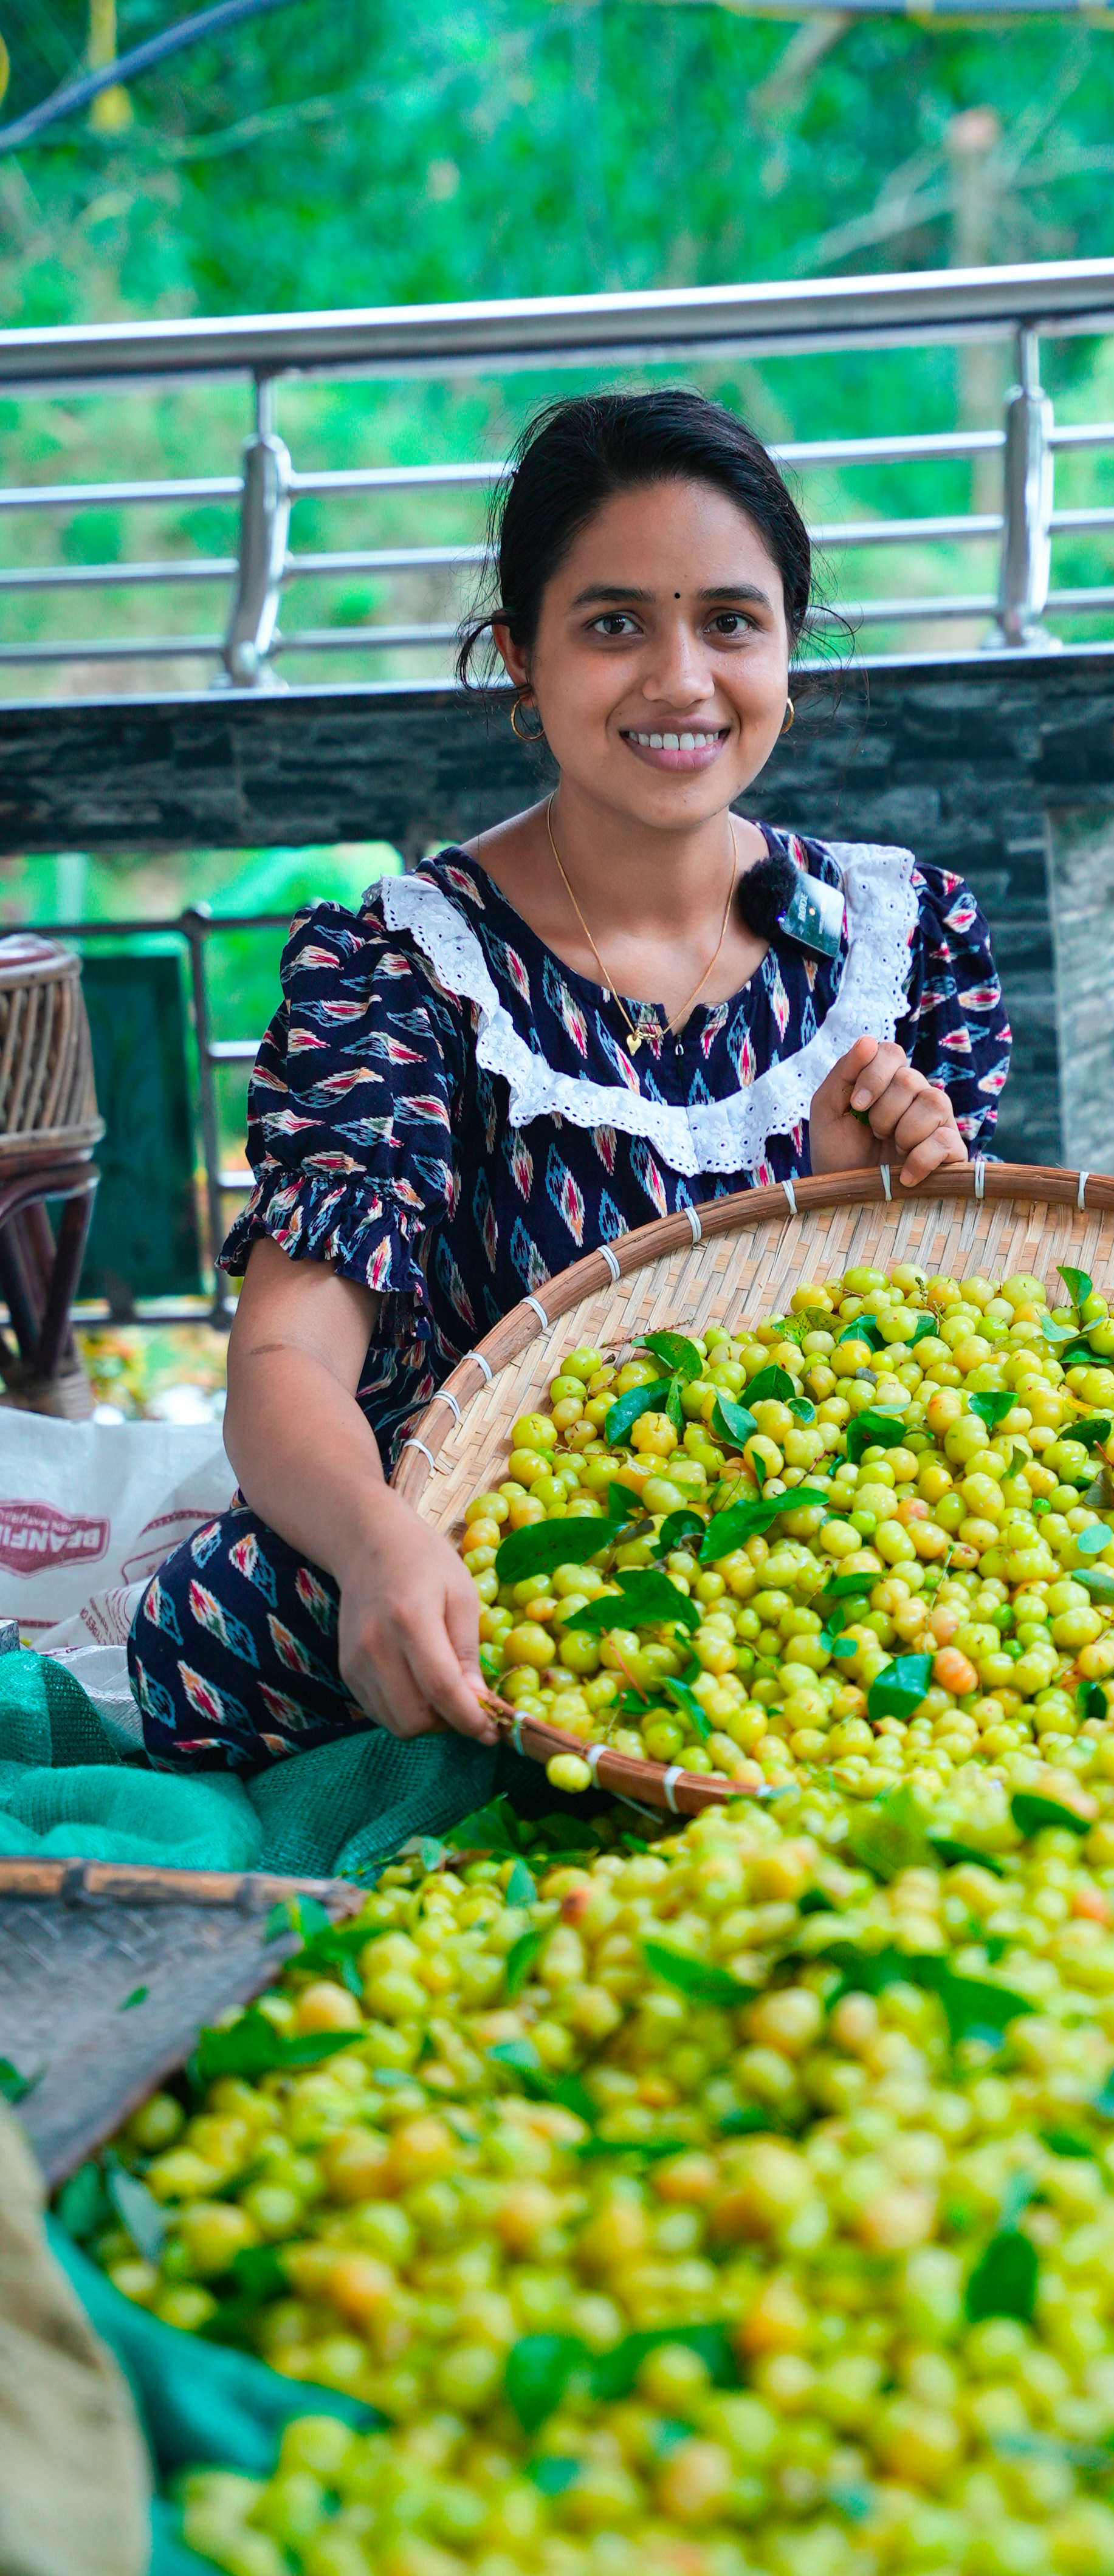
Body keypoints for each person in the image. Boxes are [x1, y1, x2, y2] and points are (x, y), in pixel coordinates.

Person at [129, 389, 1011, 1772]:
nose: (681, 680)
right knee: (219, 1622)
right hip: (495, 1528)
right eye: (614, 625)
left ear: (791, 647)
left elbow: (958, 1369)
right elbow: (291, 1355)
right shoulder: (407, 967)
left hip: (816, 1528)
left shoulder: (897, 941)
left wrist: (854, 1208)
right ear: (520, 661)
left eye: (732, 622)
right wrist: (378, 1543)